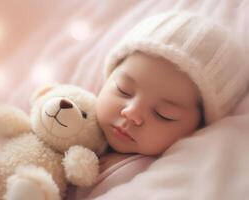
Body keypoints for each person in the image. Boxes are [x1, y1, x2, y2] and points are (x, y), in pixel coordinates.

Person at [68, 11, 249, 199]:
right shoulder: (69, 117)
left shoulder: (156, 177)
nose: (131, 113)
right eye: (123, 90)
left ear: (197, 129)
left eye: (163, 114)